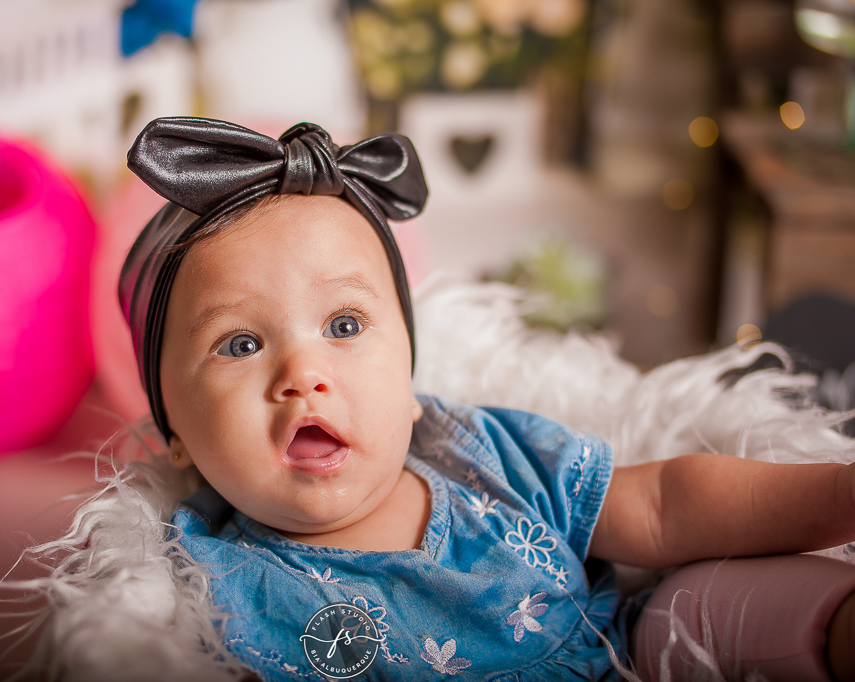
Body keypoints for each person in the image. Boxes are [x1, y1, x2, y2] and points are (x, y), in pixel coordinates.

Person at [117, 117, 855, 681]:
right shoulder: (218, 586)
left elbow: (663, 505)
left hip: (632, 647)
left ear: (408, 382)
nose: (304, 373)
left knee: (733, 602)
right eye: (241, 344)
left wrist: (832, 494)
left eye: (344, 325)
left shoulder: (484, 453)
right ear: (174, 429)